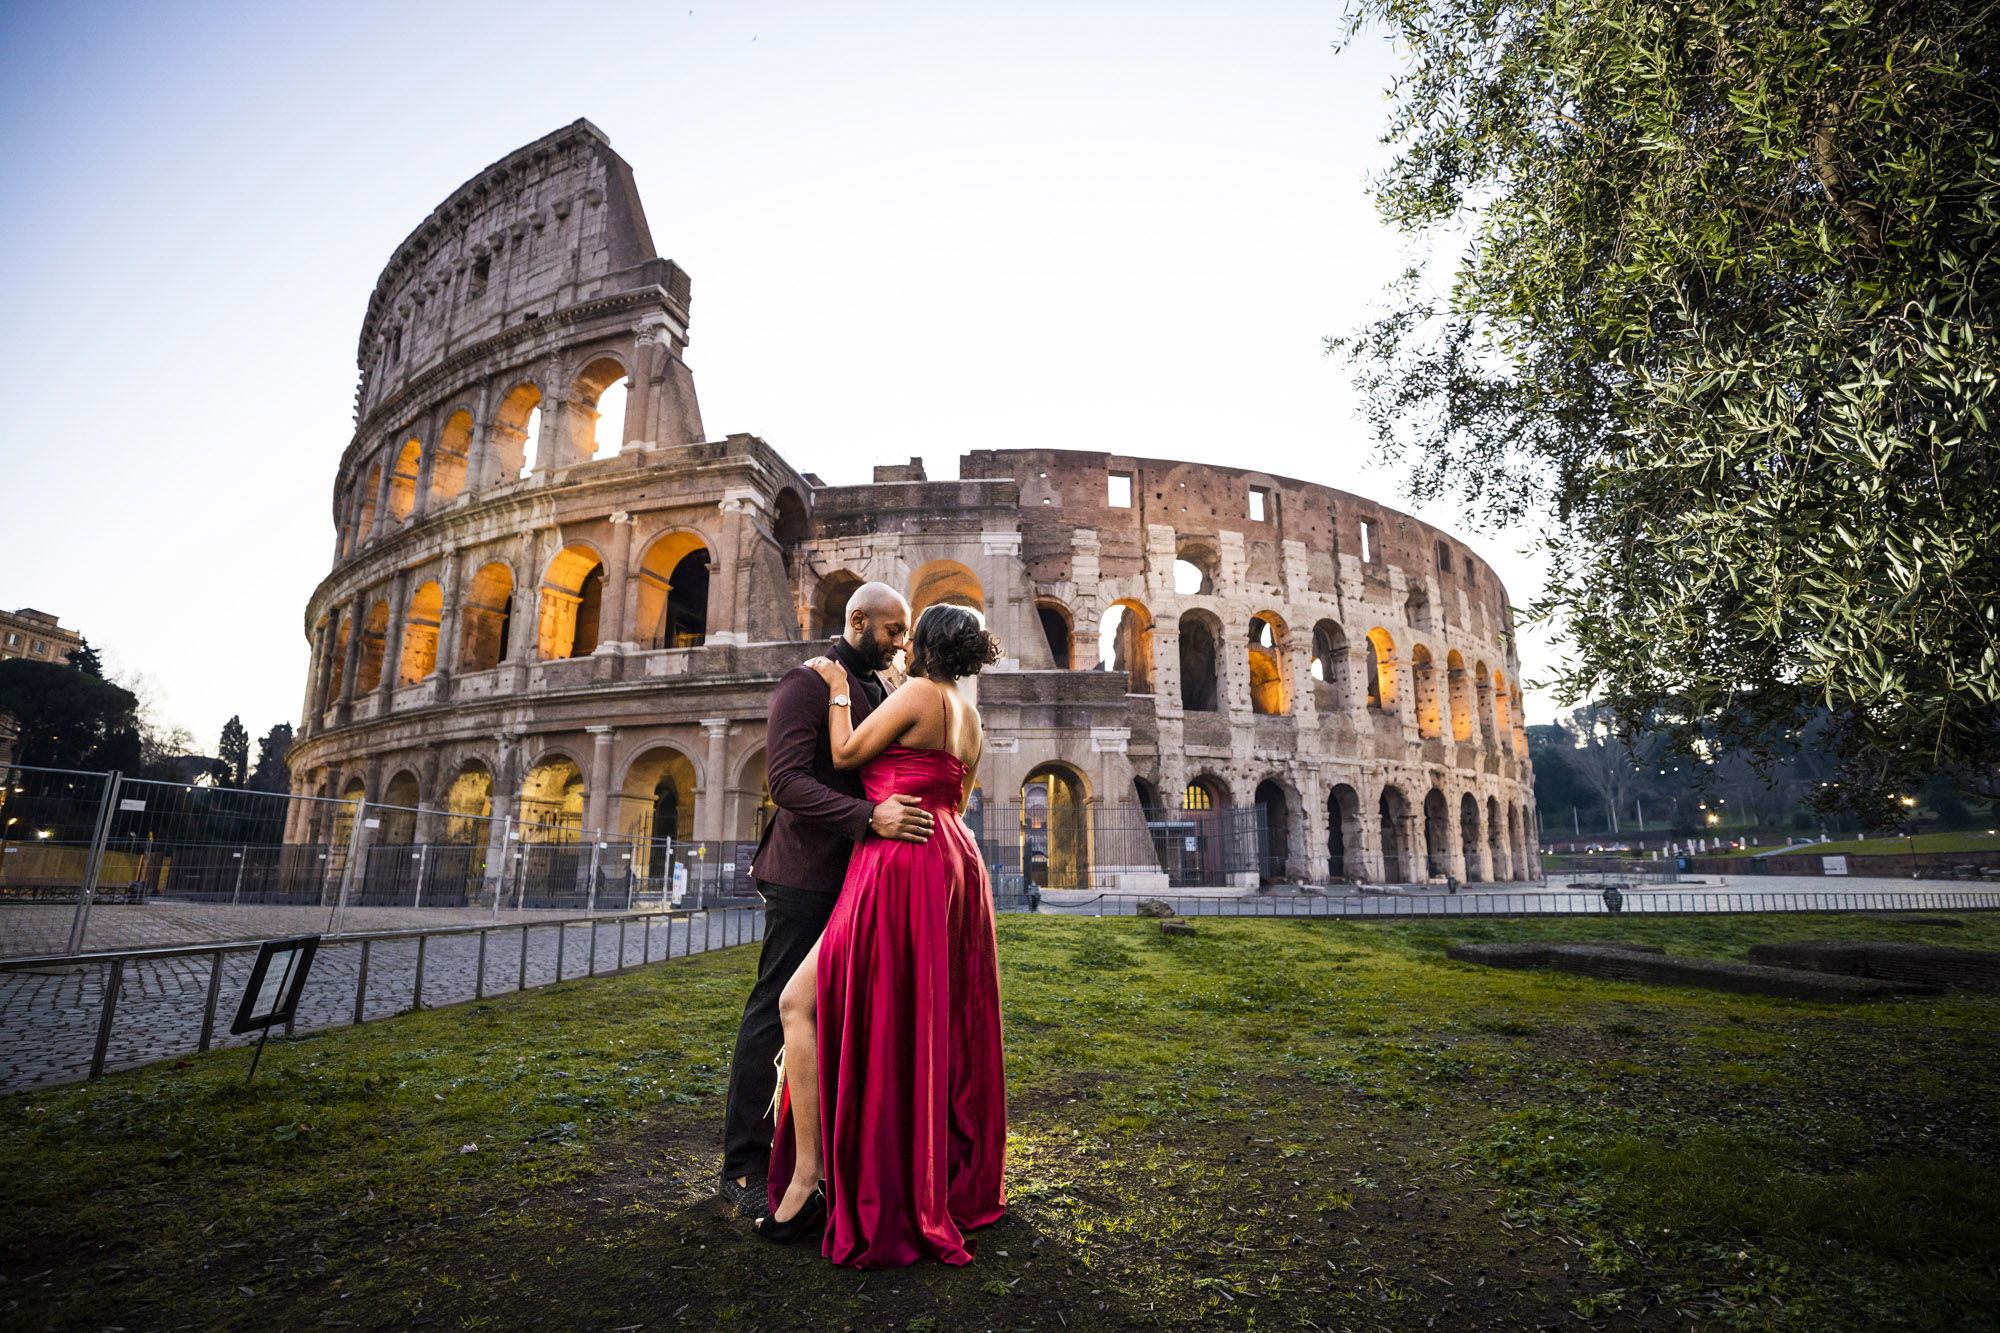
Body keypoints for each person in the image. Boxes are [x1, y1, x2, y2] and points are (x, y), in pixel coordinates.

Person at [759, 602, 1007, 1268]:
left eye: (907, 633)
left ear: (924, 644)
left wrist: (839, 692)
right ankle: (888, 1164)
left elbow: (844, 752)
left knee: (796, 1003)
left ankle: (812, 1176)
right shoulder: (969, 715)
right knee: (915, 1016)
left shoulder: (918, 694)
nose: (898, 643)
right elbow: (956, 794)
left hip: (899, 862)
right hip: (951, 857)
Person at [714, 583, 936, 1220]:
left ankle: (812, 1156)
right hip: (804, 877)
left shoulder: (878, 689)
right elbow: (786, 783)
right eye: (892, 631)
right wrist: (870, 818)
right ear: (857, 620)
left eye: (906, 634)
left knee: (832, 1019)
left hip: (860, 877)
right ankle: (745, 1168)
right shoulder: (805, 683)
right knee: (773, 1013)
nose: (900, 645)